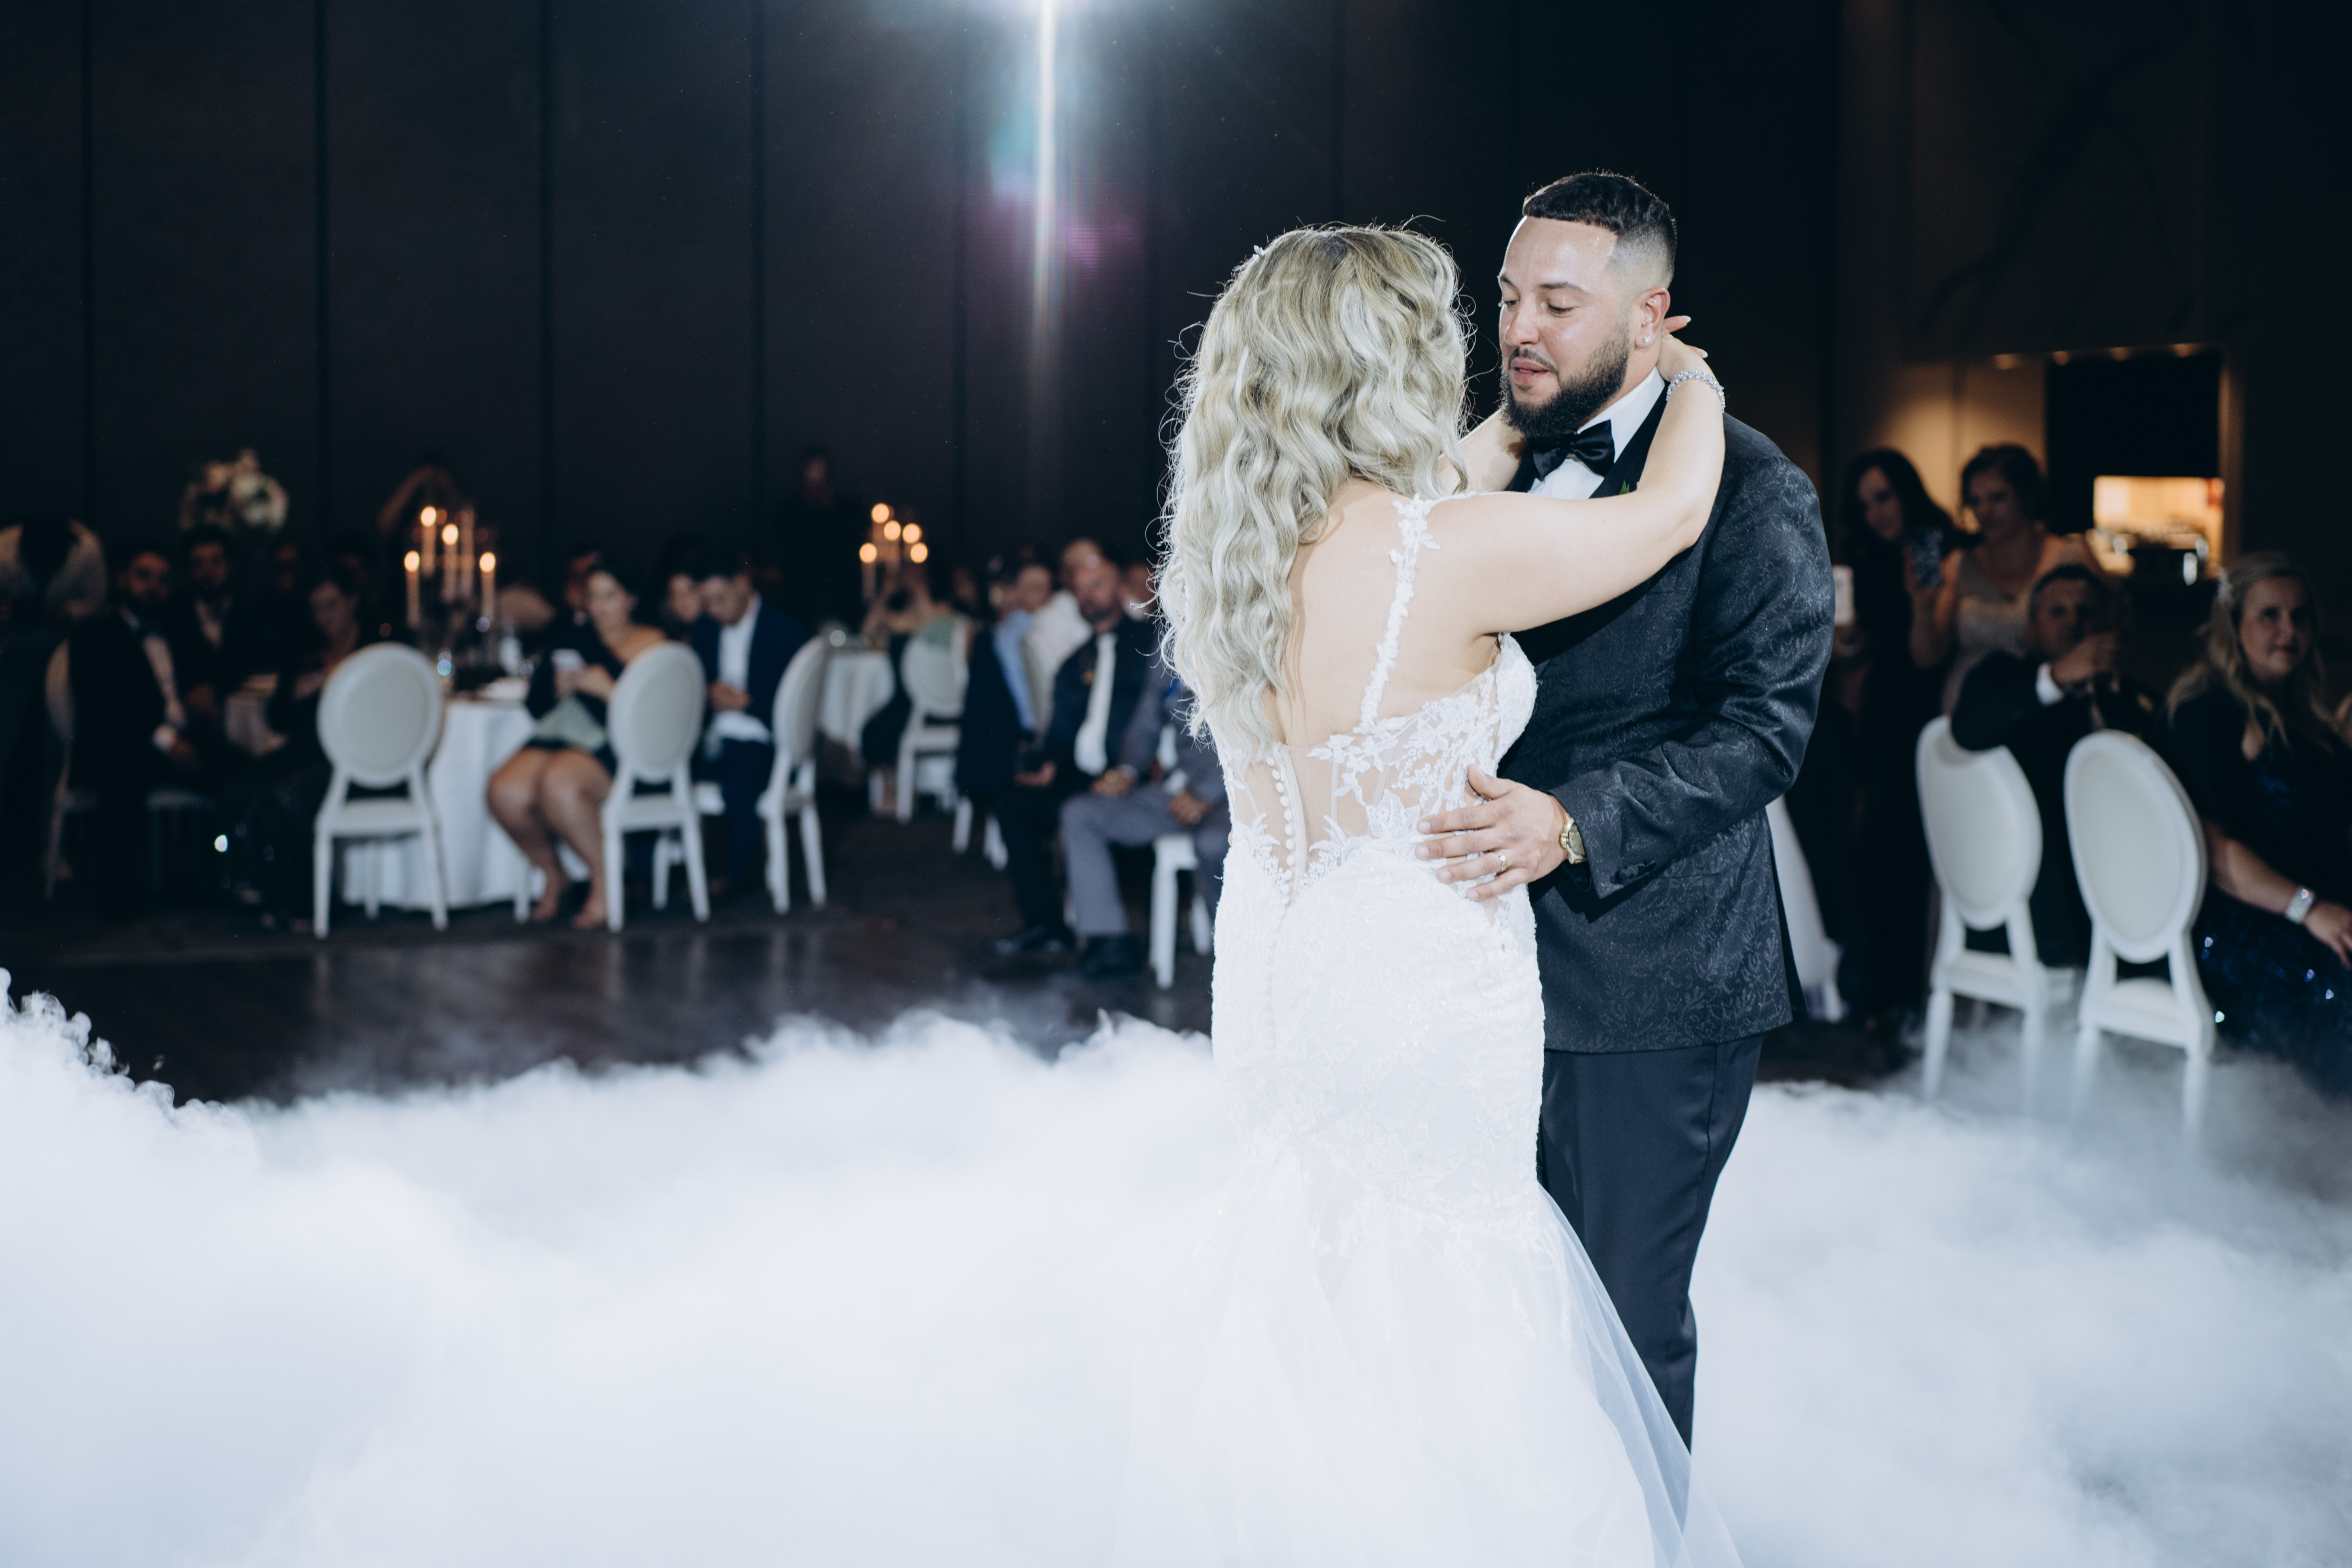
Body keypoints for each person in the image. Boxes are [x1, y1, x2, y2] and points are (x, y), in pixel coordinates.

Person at [1141, 219, 1743, 1560]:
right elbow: (1667, 515)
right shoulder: (1444, 551)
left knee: (1324, 1287)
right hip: (1413, 978)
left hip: (1279, 967)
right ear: (1386, 365)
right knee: (1449, 1294)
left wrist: (1514, 431)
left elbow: (1447, 492)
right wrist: (1687, 377)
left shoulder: (1236, 555)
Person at [1404, 174, 1831, 1458]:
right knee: (1504, 1303)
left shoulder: (1751, 487)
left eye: (1557, 304)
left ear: (1651, 319)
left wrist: (1570, 823)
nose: (1518, 329)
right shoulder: (1488, 469)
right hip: (1482, 957)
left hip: (1652, 972)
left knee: (1622, 1324)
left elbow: (1763, 733)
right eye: (1507, 299)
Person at [2157, 555, 2352, 1095]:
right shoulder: (2205, 708)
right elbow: (2211, 849)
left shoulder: (2309, 721)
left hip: (2321, 908)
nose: (2289, 630)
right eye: (2270, 615)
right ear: (2233, 624)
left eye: (2300, 616)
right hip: (2247, 924)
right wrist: (2310, 909)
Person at [1806, 450, 1956, 1029]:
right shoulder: (1863, 557)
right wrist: (1844, 640)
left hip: (1931, 707)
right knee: (1878, 848)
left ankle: (1913, 993)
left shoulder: (1940, 547)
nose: (1876, 513)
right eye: (1865, 504)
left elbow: (1928, 653)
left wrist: (1921, 603)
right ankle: (1879, 995)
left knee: (1920, 851)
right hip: (1880, 712)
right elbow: (1855, 657)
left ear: (1907, 492)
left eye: (1884, 497)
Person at [1950, 564, 2155, 967]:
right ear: (2030, 630)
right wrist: (2058, 678)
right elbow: (1966, 728)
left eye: (2086, 612)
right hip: (2043, 885)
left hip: (2125, 864)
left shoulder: (2132, 699)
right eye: (2057, 611)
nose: (2073, 622)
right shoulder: (2003, 676)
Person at [487, 555, 668, 929]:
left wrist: (609, 690)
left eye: (609, 596)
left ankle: (607, 882)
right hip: (562, 736)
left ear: (631, 599)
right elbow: (536, 706)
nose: (599, 606)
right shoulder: (573, 636)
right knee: (504, 791)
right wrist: (556, 689)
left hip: (621, 747)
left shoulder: (653, 644)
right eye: (593, 596)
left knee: (560, 784)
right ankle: (555, 874)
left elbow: (656, 721)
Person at [989, 551, 1154, 958]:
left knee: (1082, 811)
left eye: (1097, 585)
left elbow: (1160, 719)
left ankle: (1112, 934)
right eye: (1079, 589)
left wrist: (1134, 768)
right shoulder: (1074, 661)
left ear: (1120, 590)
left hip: (1136, 773)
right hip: (1082, 774)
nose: (1088, 596)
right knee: (1013, 802)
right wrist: (1049, 761)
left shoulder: (1151, 646)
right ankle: (1046, 925)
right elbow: (1061, 728)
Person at [65, 542, 226, 914]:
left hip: (183, 739)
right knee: (124, 769)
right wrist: (165, 740)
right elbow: (103, 705)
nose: (155, 587)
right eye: (144, 576)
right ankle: (119, 891)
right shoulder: (95, 633)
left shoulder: (179, 627)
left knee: (236, 767)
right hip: (125, 743)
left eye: (164, 579)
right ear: (122, 580)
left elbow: (214, 663)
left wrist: (208, 687)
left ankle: (215, 876)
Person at [219, 566, 380, 926]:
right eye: (316, 608)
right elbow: (279, 721)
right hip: (307, 751)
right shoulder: (307, 655)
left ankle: (303, 901)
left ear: (353, 601)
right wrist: (295, 696)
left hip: (355, 760)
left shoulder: (375, 653)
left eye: (331, 605)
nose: (323, 617)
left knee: (286, 796)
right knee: (242, 786)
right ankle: (251, 884)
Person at [1057, 647, 1226, 979]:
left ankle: (1236, 952)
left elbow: (1262, 729)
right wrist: (1127, 770)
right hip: (1177, 789)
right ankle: (1109, 942)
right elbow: (1146, 722)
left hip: (1233, 790)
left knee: (1212, 843)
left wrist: (1207, 792)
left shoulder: (1234, 634)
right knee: (1081, 814)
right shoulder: (1169, 644)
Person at [1912, 444, 2100, 714]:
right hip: (1972, 708)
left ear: (2026, 497)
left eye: (1997, 498)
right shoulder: (1958, 565)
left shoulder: (2071, 555)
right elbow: (1927, 659)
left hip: (2055, 704)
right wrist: (1922, 607)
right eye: (1975, 501)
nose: (1985, 511)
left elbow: (2114, 629)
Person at [686, 544, 808, 898]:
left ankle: (737, 874)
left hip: (765, 741)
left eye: (720, 599)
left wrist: (746, 702)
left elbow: (798, 708)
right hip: (713, 738)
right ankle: (652, 876)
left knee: (738, 781)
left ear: (742, 584)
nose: (714, 610)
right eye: (707, 602)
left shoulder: (784, 630)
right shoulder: (705, 629)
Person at [857, 563, 961, 814]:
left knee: (885, 727)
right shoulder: (896, 617)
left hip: (935, 699)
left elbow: (932, 625)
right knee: (872, 731)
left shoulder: (941, 613)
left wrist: (920, 591)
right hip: (902, 698)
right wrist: (884, 595)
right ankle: (893, 786)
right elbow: (866, 633)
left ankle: (902, 789)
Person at [1022, 537, 1104, 686]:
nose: (1093, 574)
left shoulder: (1122, 603)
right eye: (1083, 567)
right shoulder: (1049, 618)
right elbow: (1063, 680)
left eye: (1098, 564)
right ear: (1065, 576)